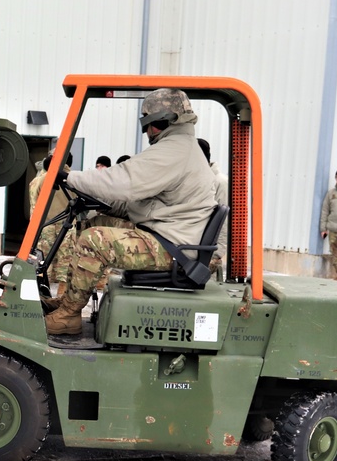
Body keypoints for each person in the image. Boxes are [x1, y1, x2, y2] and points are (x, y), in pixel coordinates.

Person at [44, 88, 217, 335]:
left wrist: (69, 178)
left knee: (94, 240)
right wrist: (103, 204)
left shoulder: (174, 151)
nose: (147, 132)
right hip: (170, 236)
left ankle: (69, 317)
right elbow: (141, 202)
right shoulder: (180, 147)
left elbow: (123, 181)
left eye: (149, 125)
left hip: (175, 248)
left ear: (164, 120)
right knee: (94, 223)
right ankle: (69, 301)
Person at [31, 154, 74, 291]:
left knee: (44, 257)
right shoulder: (75, 179)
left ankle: (43, 290)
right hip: (68, 223)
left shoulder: (41, 179)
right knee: (66, 257)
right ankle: (62, 293)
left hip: (47, 223)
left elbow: (34, 202)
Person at [198, 138, 229, 275]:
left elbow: (223, 222)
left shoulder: (220, 182)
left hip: (207, 251)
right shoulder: (198, 179)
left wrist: (216, 254)